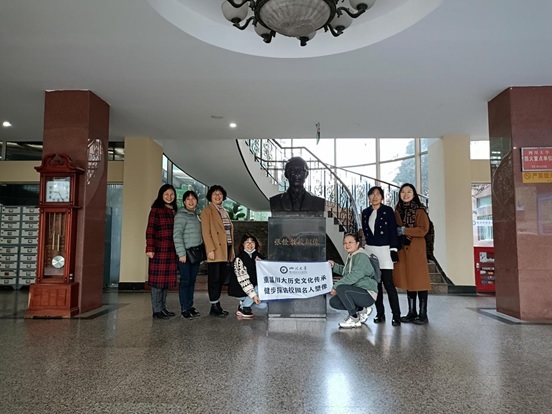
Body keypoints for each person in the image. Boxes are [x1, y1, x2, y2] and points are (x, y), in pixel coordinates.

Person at [361, 186, 402, 326]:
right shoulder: (365, 212)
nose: (375, 197)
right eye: (372, 194)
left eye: (378, 194)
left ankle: (396, 315)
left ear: (382, 197)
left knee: (389, 284)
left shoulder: (388, 211)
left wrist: (393, 249)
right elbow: (365, 232)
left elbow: (393, 231)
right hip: (371, 250)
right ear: (368, 197)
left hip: (385, 251)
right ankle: (380, 313)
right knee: (376, 285)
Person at [394, 183, 431, 325]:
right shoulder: (398, 210)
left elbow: (423, 229)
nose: (405, 194)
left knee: (419, 281)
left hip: (416, 249)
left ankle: (423, 314)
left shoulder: (419, 210)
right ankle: (411, 312)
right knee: (409, 281)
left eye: (409, 192)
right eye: (403, 192)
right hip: (403, 249)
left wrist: (405, 230)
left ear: (414, 194)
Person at [328, 233, 378, 329]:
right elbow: (346, 272)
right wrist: (334, 266)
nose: (347, 245)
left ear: (357, 243)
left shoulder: (361, 256)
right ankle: (362, 310)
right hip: (357, 291)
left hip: (367, 293)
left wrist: (336, 286)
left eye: (350, 242)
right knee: (334, 302)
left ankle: (354, 318)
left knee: (341, 288)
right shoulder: (352, 256)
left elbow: (354, 275)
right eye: (345, 243)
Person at [200, 184, 234, 317]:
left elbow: (228, 232)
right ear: (210, 196)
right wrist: (210, 249)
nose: (217, 196)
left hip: (226, 249)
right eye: (215, 194)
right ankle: (214, 305)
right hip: (215, 249)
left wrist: (231, 251)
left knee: (220, 279)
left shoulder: (224, 211)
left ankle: (217, 304)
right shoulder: (207, 211)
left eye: (220, 194)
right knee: (214, 279)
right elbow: (206, 232)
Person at [146, 184, 178, 319]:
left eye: (171, 194)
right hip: (159, 250)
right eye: (166, 194)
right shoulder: (156, 210)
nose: (169, 197)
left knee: (165, 282)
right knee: (157, 283)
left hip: (171, 250)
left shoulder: (174, 211)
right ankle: (156, 310)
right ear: (161, 195)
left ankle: (163, 308)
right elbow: (150, 230)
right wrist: (150, 248)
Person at [173, 190, 203, 319]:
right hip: (185, 254)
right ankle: (184, 308)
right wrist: (181, 254)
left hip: (195, 254)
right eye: (188, 199)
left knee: (192, 281)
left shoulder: (196, 215)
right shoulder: (181, 215)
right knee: (185, 281)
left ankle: (190, 306)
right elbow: (177, 235)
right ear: (184, 202)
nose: (191, 201)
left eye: (193, 199)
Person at [228, 233, 267, 319]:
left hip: (254, 289)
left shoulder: (259, 257)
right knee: (258, 288)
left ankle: (244, 303)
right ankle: (244, 307)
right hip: (241, 289)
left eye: (252, 242)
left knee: (263, 305)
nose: (250, 245)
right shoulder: (239, 259)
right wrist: (254, 295)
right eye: (247, 242)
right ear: (243, 244)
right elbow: (243, 281)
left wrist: (259, 264)